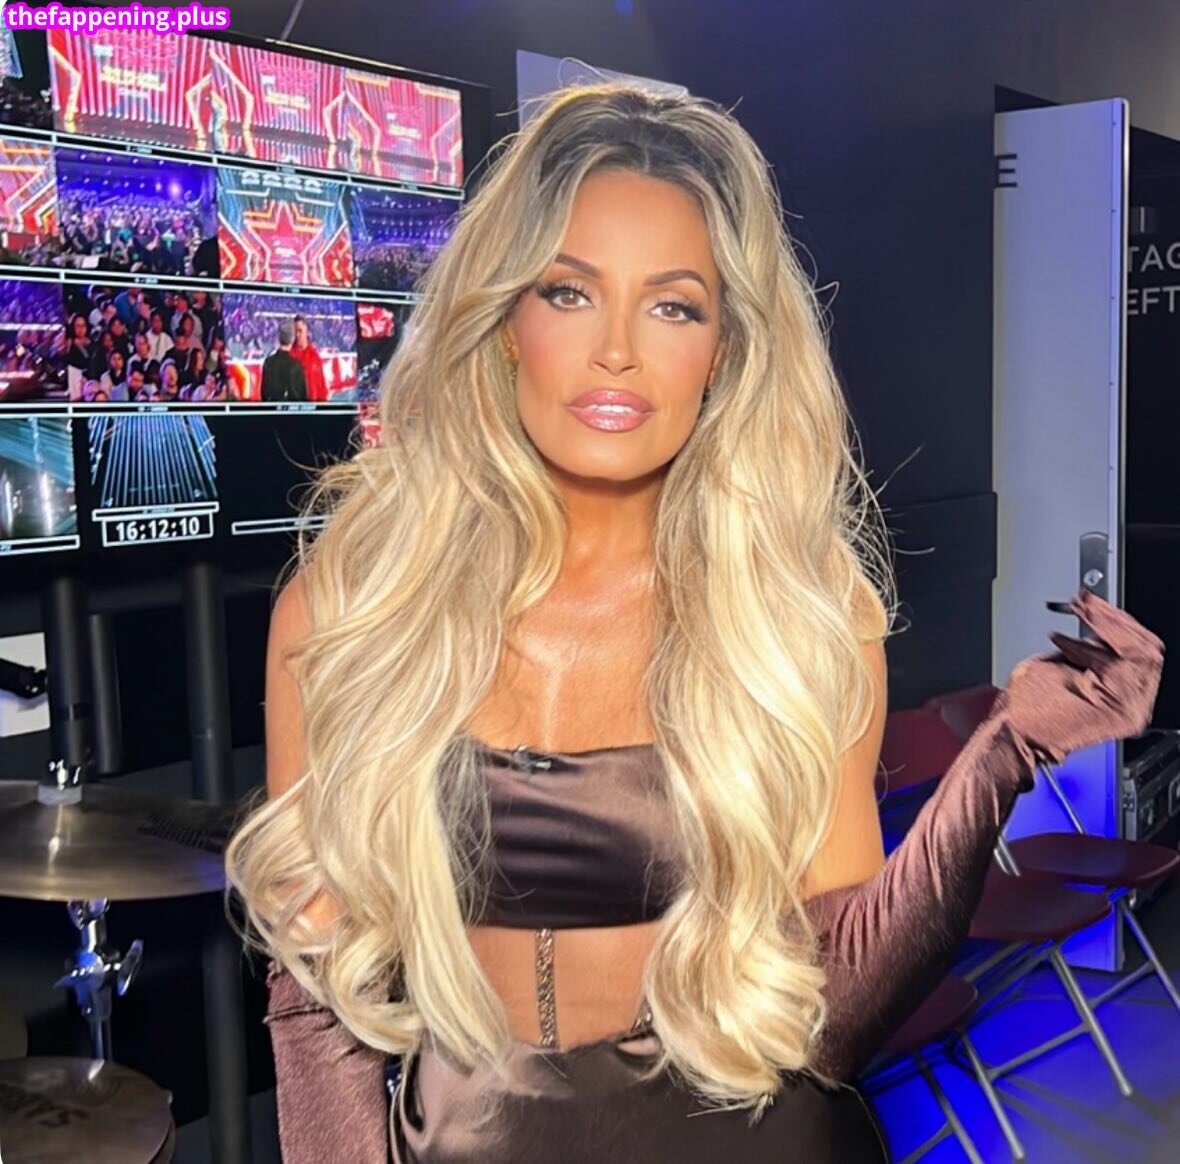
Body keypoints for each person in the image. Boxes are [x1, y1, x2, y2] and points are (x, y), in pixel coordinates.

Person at [225, 86, 1165, 1164]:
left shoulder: (797, 614)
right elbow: (314, 1003)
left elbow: (832, 1020)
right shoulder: (353, 610)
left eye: (672, 306)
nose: (616, 351)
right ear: (506, 319)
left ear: (722, 349)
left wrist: (1004, 752)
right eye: (569, 292)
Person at [259, 320, 308, 403]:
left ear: (279, 338)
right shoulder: (296, 366)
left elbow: (264, 394)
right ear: (293, 339)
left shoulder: (268, 362)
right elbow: (303, 397)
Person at [291, 314, 327, 402]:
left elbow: (321, 387)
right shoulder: (288, 356)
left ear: (306, 331)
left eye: (300, 331)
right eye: (295, 331)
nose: (297, 335)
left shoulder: (315, 357)